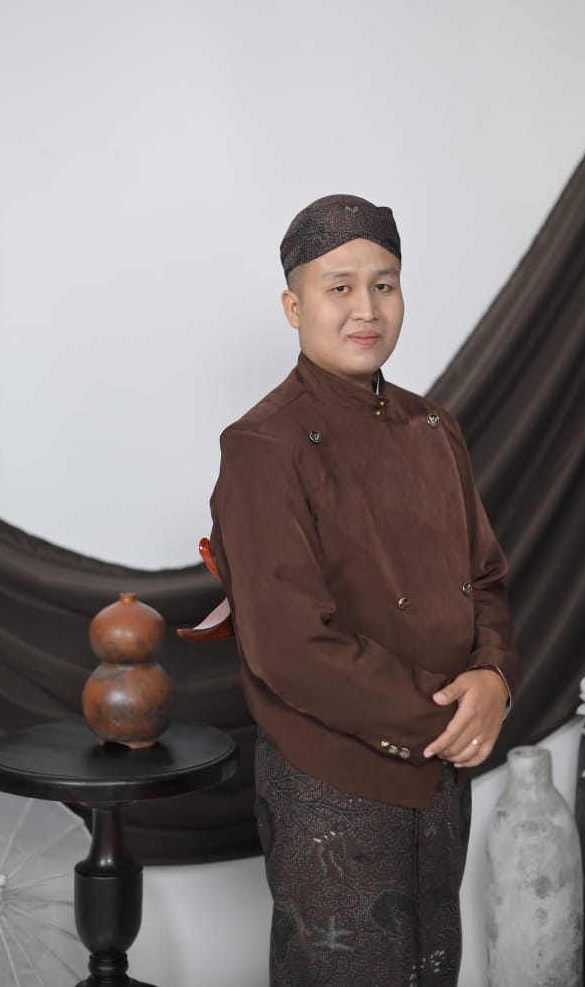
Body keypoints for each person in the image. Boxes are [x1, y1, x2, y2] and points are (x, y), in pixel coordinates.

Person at [208, 194, 521, 987]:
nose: (366, 309)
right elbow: (289, 647)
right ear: (294, 306)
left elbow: (485, 577)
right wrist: (447, 718)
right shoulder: (263, 446)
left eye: (384, 285)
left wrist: (494, 677)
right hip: (332, 783)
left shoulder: (435, 428)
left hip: (442, 777)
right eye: (339, 287)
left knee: (431, 969)